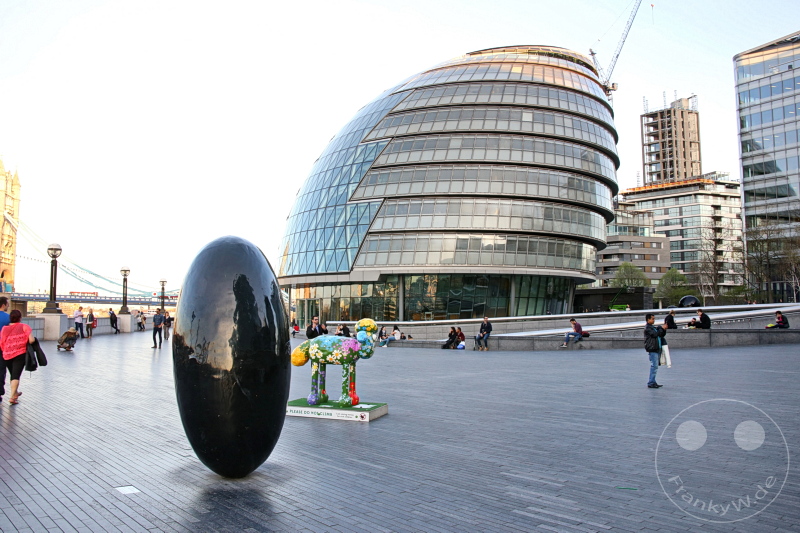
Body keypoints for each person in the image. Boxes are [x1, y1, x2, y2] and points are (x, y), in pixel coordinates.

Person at [1, 310, 35, 405]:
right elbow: (31, 340)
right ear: (20, 317)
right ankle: (12, 397)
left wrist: (6, 350)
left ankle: (15, 392)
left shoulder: (4, 328)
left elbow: (2, 342)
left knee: (13, 374)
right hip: (19, 354)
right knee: (16, 376)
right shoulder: (24, 326)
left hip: (7, 354)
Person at [644, 313, 667, 388]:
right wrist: (661, 328)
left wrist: (663, 329)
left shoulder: (652, 327)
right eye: (652, 319)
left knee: (655, 366)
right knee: (654, 366)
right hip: (653, 349)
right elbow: (655, 334)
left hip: (656, 348)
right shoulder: (648, 328)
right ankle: (651, 382)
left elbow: (661, 334)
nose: (654, 320)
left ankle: (653, 381)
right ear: (648, 319)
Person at [0, 297, 10, 401]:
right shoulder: (8, 318)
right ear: (3, 305)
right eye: (7, 304)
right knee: (1, 369)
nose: (8, 306)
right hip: (3, 347)